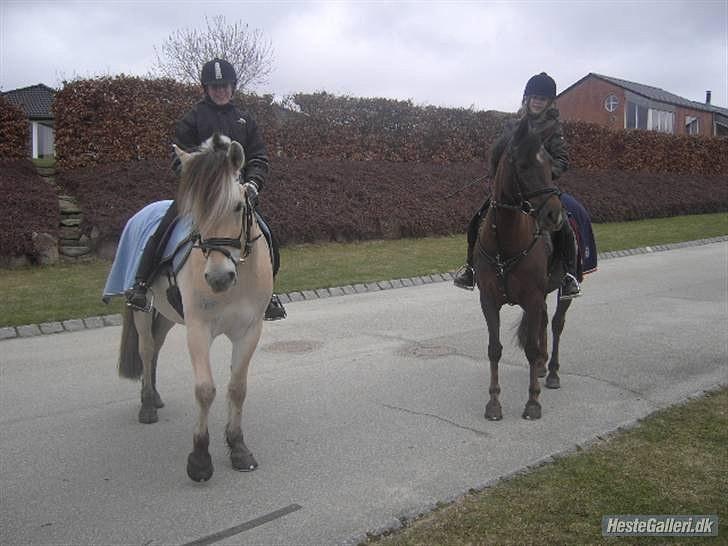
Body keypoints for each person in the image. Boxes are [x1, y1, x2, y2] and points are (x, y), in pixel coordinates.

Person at [125, 58, 287, 320]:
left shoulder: (245, 120)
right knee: (164, 228)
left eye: (224, 86)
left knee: (267, 235)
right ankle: (141, 285)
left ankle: (268, 294)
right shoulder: (193, 119)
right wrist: (200, 184)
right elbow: (180, 159)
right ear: (206, 89)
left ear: (232, 87)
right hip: (201, 197)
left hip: (236, 196)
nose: (220, 90)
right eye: (214, 86)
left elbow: (258, 157)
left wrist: (254, 183)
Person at [453, 72, 581, 299]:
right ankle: (470, 270)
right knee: (476, 220)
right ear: (527, 98)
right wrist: (497, 169)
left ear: (549, 102)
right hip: (511, 190)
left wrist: (544, 173)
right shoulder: (512, 125)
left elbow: (562, 160)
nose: (537, 101)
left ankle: (569, 276)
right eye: (534, 96)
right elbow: (500, 153)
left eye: (542, 98)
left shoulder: (553, 128)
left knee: (564, 227)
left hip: (539, 189)